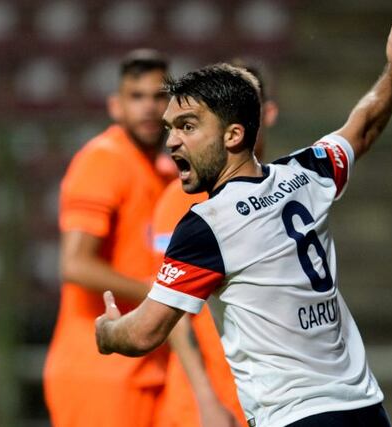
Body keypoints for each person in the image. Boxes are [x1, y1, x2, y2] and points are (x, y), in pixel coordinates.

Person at [96, 23, 392, 427]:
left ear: (234, 134)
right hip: (365, 409)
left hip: (294, 416)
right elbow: (363, 127)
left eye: (187, 126)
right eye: (171, 128)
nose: (172, 142)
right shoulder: (308, 172)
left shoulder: (207, 225)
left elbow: (145, 333)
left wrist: (109, 332)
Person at [43, 49, 172, 427]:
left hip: (143, 362)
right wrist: (159, 292)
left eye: (158, 96)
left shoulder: (165, 173)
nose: (149, 107)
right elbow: (74, 264)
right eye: (137, 97)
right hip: (97, 367)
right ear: (116, 106)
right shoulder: (104, 159)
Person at [152, 60, 279, 427]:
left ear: (264, 113)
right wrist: (206, 400)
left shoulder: (283, 189)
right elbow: (170, 308)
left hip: (268, 401)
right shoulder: (180, 200)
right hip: (205, 406)